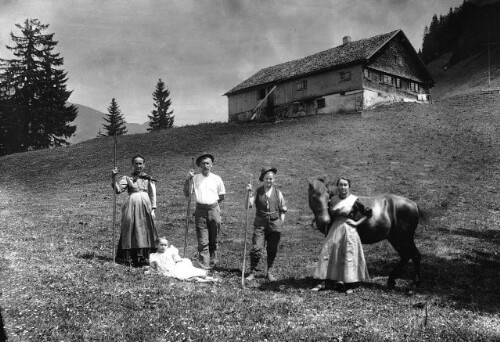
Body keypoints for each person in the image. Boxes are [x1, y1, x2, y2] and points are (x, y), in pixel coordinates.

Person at [311, 177, 372, 292]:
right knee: (327, 252)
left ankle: (349, 284)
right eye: (341, 185)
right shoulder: (333, 199)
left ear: (349, 187)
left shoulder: (355, 200)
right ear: (337, 186)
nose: (343, 187)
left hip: (349, 230)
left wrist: (356, 222)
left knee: (348, 255)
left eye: (345, 185)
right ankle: (323, 281)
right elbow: (323, 208)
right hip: (335, 228)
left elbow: (368, 213)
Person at [112, 155, 158, 267]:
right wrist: (113, 177)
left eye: (140, 163)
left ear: (144, 164)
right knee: (132, 228)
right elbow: (118, 189)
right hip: (132, 205)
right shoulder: (127, 178)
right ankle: (130, 256)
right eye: (136, 163)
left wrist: (153, 209)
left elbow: (152, 194)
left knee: (145, 229)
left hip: (145, 205)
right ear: (132, 165)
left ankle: (144, 257)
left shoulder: (149, 178)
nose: (138, 166)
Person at [184, 153, 225, 269]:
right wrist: (187, 180)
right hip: (200, 211)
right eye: (203, 163)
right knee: (202, 239)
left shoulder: (217, 178)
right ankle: (204, 264)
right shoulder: (195, 178)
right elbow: (187, 193)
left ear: (211, 165)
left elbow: (222, 195)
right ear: (199, 165)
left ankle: (213, 261)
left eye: (208, 163)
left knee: (214, 237)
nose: (205, 165)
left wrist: (212, 206)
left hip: (214, 210)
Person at [245, 167, 287, 282]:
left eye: (271, 179)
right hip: (260, 223)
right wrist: (248, 193)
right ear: (263, 179)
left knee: (272, 248)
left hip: (275, 224)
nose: (269, 181)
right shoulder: (257, 191)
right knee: (256, 247)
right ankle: (252, 271)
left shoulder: (278, 193)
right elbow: (248, 205)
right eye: (267, 178)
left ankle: (269, 272)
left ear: (274, 180)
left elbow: (283, 209)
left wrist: (280, 222)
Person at [149, 237, 216, 281]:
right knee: (180, 275)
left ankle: (203, 275)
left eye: (165, 245)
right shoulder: (154, 255)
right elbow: (154, 266)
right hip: (166, 270)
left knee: (184, 266)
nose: (163, 247)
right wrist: (153, 268)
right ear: (156, 245)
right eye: (161, 245)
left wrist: (178, 261)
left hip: (174, 266)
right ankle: (197, 278)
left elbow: (176, 258)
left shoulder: (170, 251)